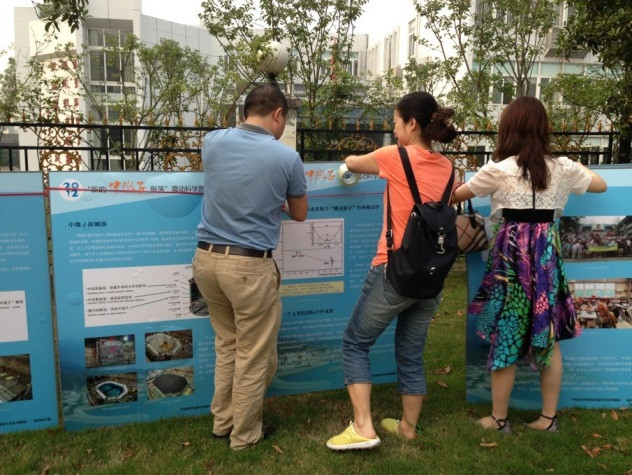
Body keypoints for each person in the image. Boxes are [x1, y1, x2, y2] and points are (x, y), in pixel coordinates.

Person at [451, 96, 607, 433]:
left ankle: (499, 418)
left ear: (509, 129)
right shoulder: (562, 167)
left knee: (507, 332)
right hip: (546, 256)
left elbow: (458, 195)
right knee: (547, 335)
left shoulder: (499, 169)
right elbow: (600, 184)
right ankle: (548, 419)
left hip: (511, 259)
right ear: (542, 129)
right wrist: (571, 167)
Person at [326, 92, 458, 450]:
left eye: (396, 123)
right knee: (411, 353)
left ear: (412, 123)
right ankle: (407, 428)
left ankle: (363, 427)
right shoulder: (449, 169)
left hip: (393, 274)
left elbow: (353, 162)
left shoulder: (395, 157)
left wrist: (347, 165)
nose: (394, 130)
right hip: (431, 279)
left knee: (355, 343)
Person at [192, 84, 308, 450]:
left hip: (206, 261)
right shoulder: (287, 157)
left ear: (245, 111)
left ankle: (223, 423)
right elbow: (300, 213)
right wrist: (277, 201)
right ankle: (244, 436)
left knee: (227, 345)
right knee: (253, 355)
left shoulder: (212, 141)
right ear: (278, 114)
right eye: (284, 120)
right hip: (248, 267)